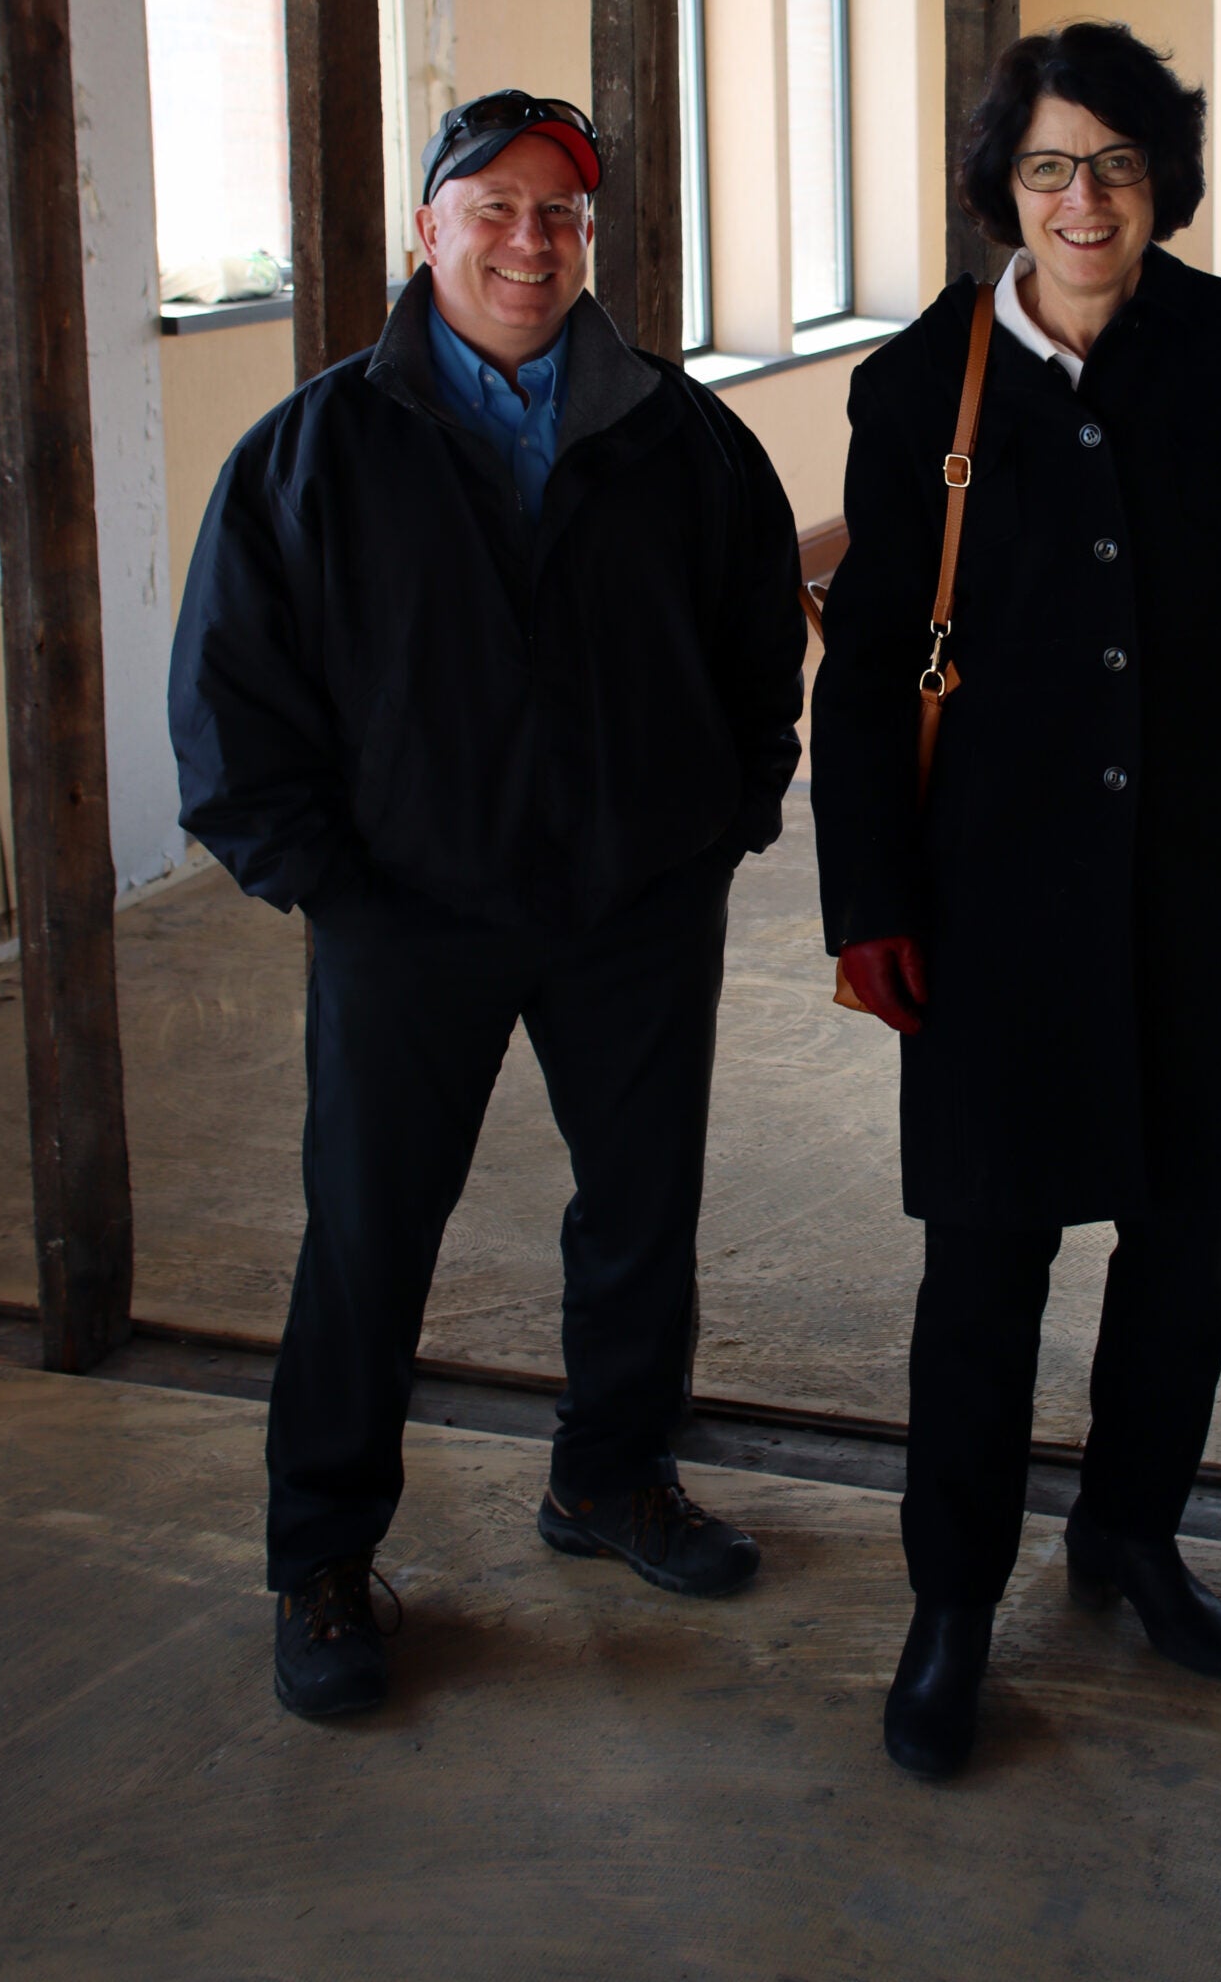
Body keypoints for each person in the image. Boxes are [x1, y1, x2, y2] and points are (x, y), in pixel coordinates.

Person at [170, 90, 805, 1720]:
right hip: (410, 914)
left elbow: (756, 636)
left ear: (591, 239)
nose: (532, 241)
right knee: (372, 1236)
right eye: (497, 208)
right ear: (428, 231)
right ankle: (322, 1558)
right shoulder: (314, 449)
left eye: (563, 214)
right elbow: (234, 688)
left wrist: (722, 815)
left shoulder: (680, 433)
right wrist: (324, 881)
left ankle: (608, 1479)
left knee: (640, 1213)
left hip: (631, 909)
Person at [809, 22, 1221, 1777]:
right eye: (1056, 165)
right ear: (1007, 182)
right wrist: (866, 901)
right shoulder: (924, 385)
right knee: (985, 1269)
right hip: (997, 905)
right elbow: (865, 672)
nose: (1087, 199)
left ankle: (1131, 1535)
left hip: (1211, 892)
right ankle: (951, 1605)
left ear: (1164, 190)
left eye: (1121, 167)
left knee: (1190, 1247)